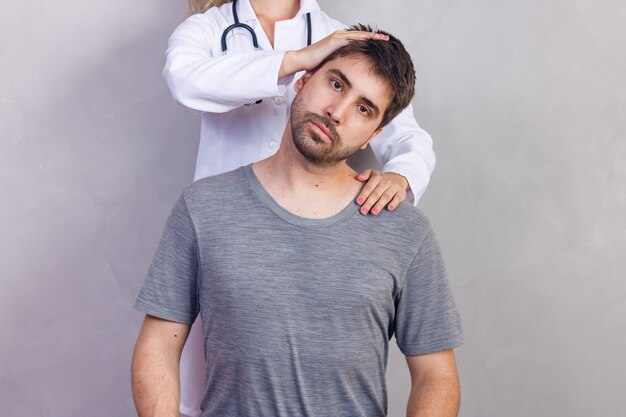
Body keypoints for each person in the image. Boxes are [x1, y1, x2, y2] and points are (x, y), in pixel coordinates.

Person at [133, 26, 463, 417]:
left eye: (363, 109)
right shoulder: (202, 208)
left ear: (372, 135)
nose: (336, 113)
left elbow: (435, 376)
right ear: (305, 79)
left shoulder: (404, 230)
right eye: (336, 84)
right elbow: (158, 346)